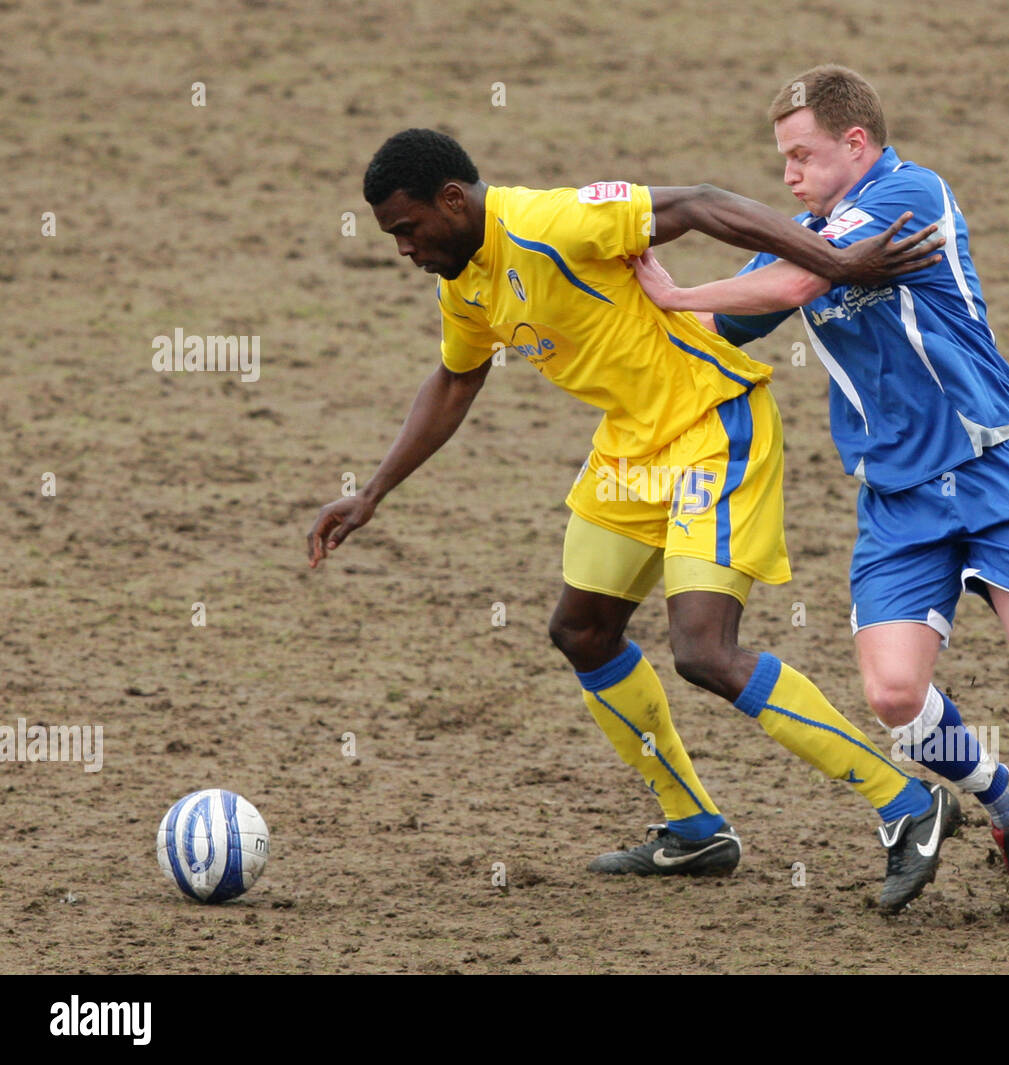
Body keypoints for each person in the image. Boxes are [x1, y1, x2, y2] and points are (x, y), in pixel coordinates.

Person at [306, 128, 959, 913]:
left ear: (453, 200)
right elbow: (455, 379)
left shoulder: (553, 222)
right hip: (630, 449)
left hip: (713, 428)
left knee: (703, 652)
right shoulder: (463, 282)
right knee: (581, 630)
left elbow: (702, 204)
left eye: (407, 229)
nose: (404, 249)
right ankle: (695, 828)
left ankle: (908, 804)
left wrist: (841, 263)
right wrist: (372, 491)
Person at [632, 65, 1009, 929]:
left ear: (857, 144)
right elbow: (716, 326)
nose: (790, 176)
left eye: (802, 156)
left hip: (995, 474)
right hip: (898, 502)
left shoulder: (910, 193)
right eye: (783, 161)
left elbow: (796, 286)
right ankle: (1004, 794)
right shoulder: (804, 235)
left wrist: (678, 287)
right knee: (894, 698)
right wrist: (615, 299)